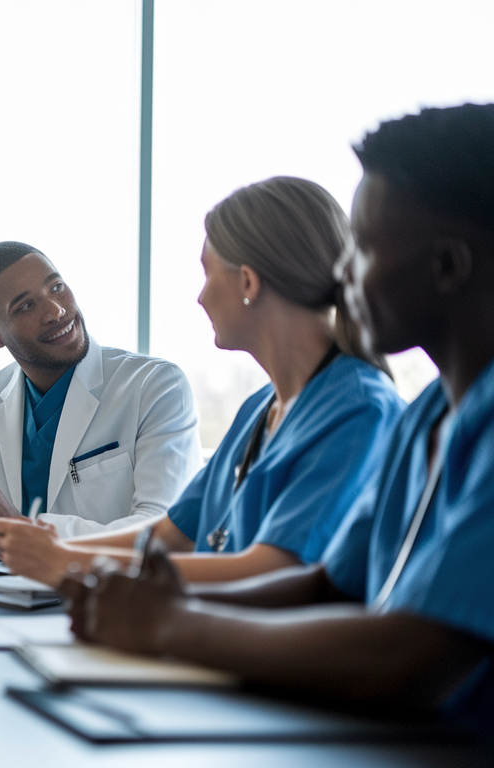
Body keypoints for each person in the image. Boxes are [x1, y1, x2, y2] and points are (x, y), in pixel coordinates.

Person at [33, 104, 494, 720]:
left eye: (360, 251)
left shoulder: (378, 409)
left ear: (446, 266)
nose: (341, 275)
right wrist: (153, 606)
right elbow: (328, 585)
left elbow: (415, 654)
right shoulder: (427, 419)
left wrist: (174, 626)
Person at [0, 178, 405, 583]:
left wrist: (68, 563)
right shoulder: (260, 409)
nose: (201, 297)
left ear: (248, 282)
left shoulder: (359, 410)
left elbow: (274, 569)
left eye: (208, 274)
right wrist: (50, 550)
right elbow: (171, 536)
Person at [0, 242, 202, 553]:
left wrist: (19, 527)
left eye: (56, 287)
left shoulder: (154, 386)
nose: (56, 311)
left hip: (116, 601)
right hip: (0, 603)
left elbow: (164, 531)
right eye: (26, 306)